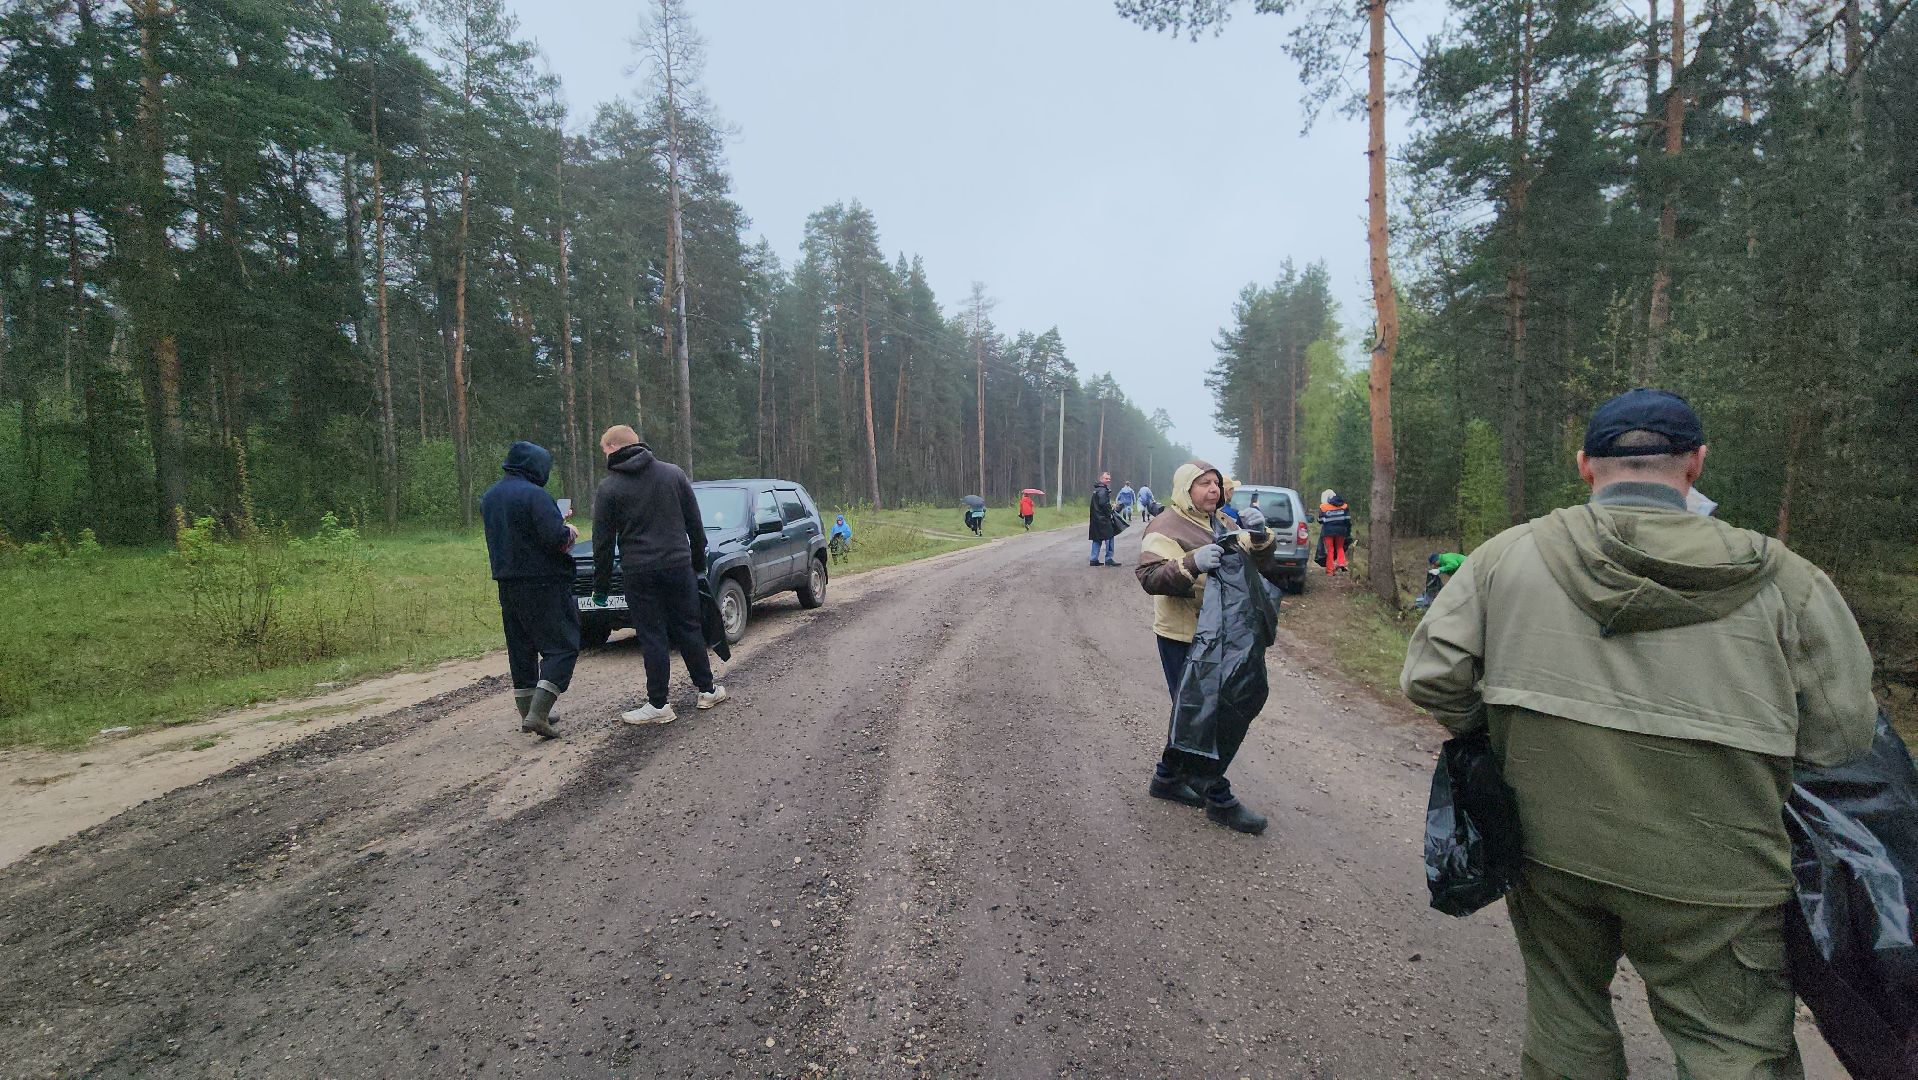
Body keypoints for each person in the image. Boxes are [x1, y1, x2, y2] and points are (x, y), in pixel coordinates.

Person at [1401, 388, 1877, 1080]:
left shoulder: (1509, 555)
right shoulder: (1788, 581)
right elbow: (1842, 738)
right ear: (1696, 465)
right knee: (1732, 1048)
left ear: (1585, 466)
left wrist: (1495, 731)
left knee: (1566, 1018)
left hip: (1548, 849)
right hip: (1719, 875)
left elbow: (1432, 677)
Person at [1135, 460, 1289, 834]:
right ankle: (1220, 799)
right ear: (1185, 489)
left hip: (1221, 634)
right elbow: (1150, 576)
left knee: (1196, 710)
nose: (1213, 490)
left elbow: (1259, 562)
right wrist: (1193, 562)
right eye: (1204, 484)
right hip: (1182, 634)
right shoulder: (1165, 526)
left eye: (1216, 484)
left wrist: (1260, 534)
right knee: (1201, 714)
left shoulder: (1222, 522)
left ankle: (1167, 778)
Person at [589, 425, 728, 726]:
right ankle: (707, 690)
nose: (604, 455)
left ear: (613, 447)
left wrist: (600, 588)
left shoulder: (609, 488)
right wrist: (697, 564)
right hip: (679, 567)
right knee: (689, 629)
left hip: (639, 572)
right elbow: (696, 524)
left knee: (652, 636)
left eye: (604, 449)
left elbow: (602, 543)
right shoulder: (673, 474)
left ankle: (659, 705)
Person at [480, 441, 580, 740]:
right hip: (544, 583)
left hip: (507, 584)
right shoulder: (536, 495)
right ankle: (538, 715)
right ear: (536, 467)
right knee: (562, 646)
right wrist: (569, 531)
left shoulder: (489, 497)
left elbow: (519, 532)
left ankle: (529, 712)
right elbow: (556, 540)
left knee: (521, 648)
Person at [1088, 472, 1120, 566]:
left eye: (1109, 479)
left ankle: (1093, 559)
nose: (1108, 480)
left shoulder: (1097, 489)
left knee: (1097, 539)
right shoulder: (1103, 490)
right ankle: (1109, 559)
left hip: (1095, 519)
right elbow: (1103, 504)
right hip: (1103, 520)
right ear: (1101, 479)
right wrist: (1111, 510)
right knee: (1109, 537)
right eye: (1106, 478)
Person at [1317, 490, 1351, 575]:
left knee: (1330, 550)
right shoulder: (1344, 506)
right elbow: (1347, 519)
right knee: (1340, 547)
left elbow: (1321, 520)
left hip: (1328, 531)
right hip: (1341, 531)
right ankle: (1341, 563)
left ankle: (1330, 570)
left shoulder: (1324, 507)